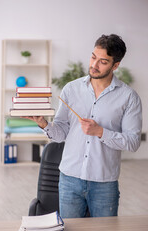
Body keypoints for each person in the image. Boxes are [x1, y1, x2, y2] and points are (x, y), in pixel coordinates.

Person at [25, 34, 142, 218]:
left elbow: (133, 142)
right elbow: (61, 133)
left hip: (104, 183)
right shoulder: (71, 89)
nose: (94, 65)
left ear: (116, 65)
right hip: (69, 179)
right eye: (93, 57)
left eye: (103, 61)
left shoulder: (129, 97)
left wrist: (101, 132)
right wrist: (43, 123)